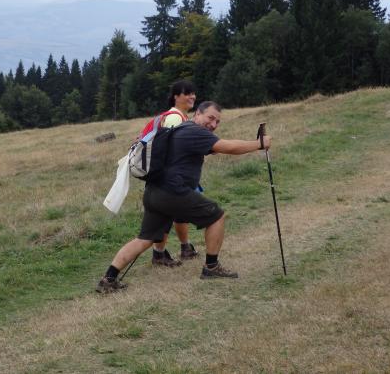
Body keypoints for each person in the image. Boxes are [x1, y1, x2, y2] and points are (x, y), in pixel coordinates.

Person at [96, 101, 271, 293]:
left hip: (154, 191)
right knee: (216, 216)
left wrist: (251, 143)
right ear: (198, 114)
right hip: (173, 192)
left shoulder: (182, 129)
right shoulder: (195, 131)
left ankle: (109, 278)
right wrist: (259, 144)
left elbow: (218, 147)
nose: (213, 124)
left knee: (144, 239)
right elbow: (227, 147)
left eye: (217, 122)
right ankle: (211, 267)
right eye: (210, 118)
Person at [151, 81, 199, 267]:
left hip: (176, 175)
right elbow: (171, 148)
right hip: (171, 176)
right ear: (176, 97)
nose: (192, 97)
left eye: (193, 93)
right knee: (167, 214)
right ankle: (159, 254)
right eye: (187, 93)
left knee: (180, 212)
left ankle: (185, 248)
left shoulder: (181, 117)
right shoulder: (174, 118)